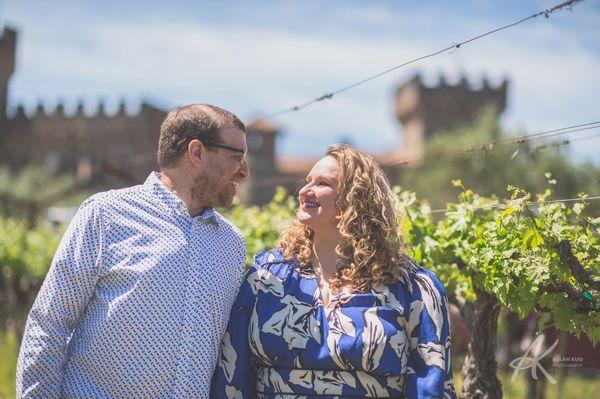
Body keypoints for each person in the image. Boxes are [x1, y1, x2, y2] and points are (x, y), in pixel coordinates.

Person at [17, 104, 249, 398]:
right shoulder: (105, 215)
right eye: (236, 157)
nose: (244, 171)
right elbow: (49, 327)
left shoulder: (231, 244)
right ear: (197, 153)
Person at [212, 144, 456, 398]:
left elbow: (431, 385)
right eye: (307, 181)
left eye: (322, 183)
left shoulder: (413, 287)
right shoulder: (266, 276)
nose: (305, 191)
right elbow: (233, 373)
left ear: (355, 200)